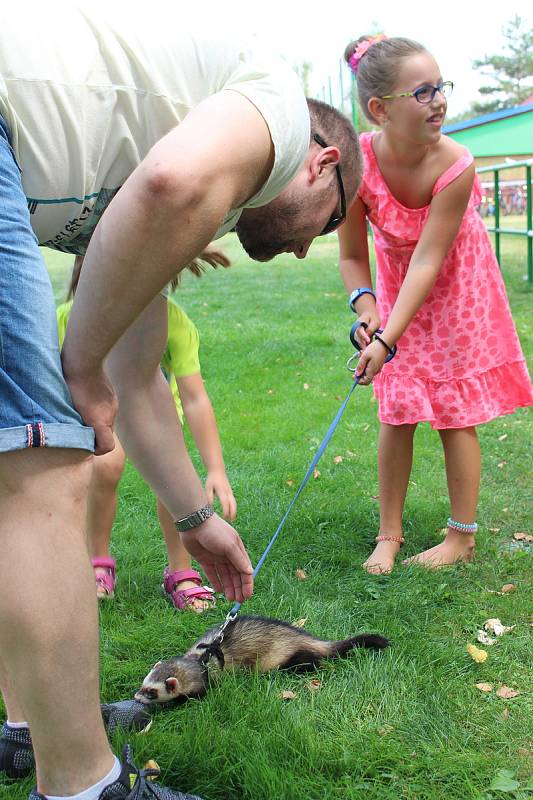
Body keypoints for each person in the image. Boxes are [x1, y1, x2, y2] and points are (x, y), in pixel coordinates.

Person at [0, 4, 362, 798]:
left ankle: (31, 729)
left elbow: (139, 379)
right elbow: (171, 184)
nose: (305, 248)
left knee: (18, 463)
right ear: (321, 161)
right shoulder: (274, 111)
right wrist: (80, 361)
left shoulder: (172, 173)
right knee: (44, 464)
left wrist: (197, 521)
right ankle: (85, 784)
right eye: (326, 224)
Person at [339, 35, 533, 575]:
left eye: (440, 87)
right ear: (381, 110)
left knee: (454, 413)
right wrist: (367, 309)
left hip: (457, 294)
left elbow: (428, 260)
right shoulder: (357, 162)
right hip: (397, 294)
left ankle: (460, 536)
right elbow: (353, 255)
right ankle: (389, 534)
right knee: (396, 410)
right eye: (423, 92)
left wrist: (386, 338)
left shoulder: (457, 163)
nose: (440, 101)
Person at [57, 254, 236, 609]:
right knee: (106, 465)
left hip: (156, 417)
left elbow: (195, 398)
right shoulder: (67, 319)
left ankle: (181, 571)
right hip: (96, 416)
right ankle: (98, 560)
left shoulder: (171, 320)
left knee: (171, 475)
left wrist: (215, 468)